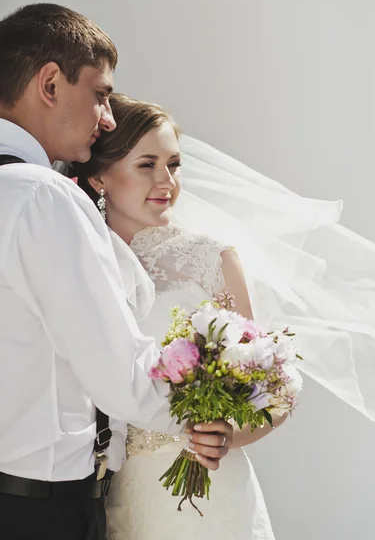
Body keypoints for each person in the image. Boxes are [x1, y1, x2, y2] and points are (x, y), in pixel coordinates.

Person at [0, 4, 231, 540]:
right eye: (101, 94)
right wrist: (210, 413)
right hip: (41, 512)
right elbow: (122, 375)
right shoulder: (42, 197)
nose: (107, 118)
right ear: (51, 84)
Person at [72, 94, 289, 540]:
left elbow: (275, 393)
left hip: (208, 495)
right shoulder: (77, 261)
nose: (166, 180)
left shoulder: (213, 260)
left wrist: (227, 431)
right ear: (98, 176)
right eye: (146, 164)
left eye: (173, 164)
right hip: (107, 497)